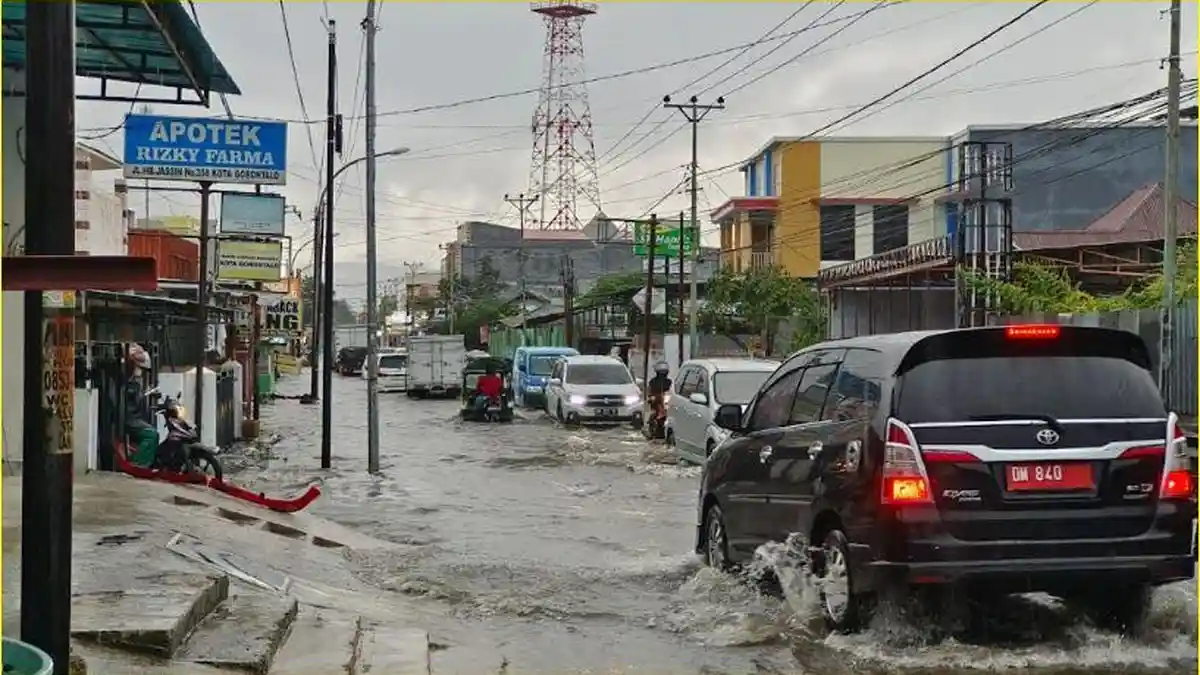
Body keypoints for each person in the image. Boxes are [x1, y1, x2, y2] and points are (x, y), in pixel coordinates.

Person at [124, 343, 159, 467]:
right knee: (151, 434)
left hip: (136, 418)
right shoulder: (129, 383)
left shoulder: (136, 383)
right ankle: (138, 463)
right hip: (130, 419)